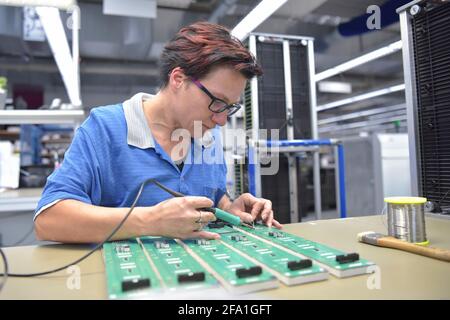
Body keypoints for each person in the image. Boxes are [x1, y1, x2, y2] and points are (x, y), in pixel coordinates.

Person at [34, 21, 282, 243]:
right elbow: (49, 219)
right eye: (217, 102)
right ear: (178, 79)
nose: (221, 120)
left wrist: (230, 208)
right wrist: (150, 220)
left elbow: (213, 200)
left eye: (230, 107)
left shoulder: (207, 134)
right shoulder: (104, 127)